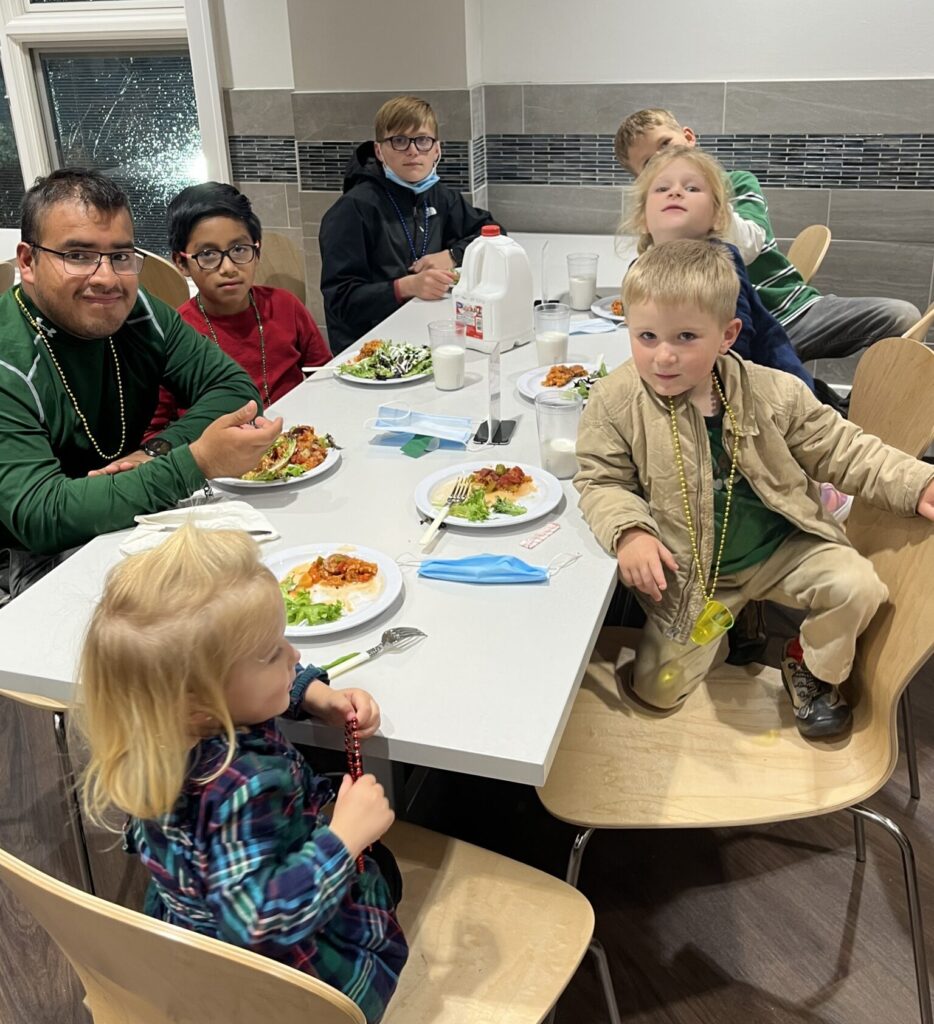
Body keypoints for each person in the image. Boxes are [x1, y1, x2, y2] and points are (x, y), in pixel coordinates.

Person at [574, 240, 934, 739]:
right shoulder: (614, 401)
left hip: (782, 546)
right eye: (647, 336)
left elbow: (844, 448)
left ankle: (807, 663)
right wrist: (630, 532)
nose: (663, 355)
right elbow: (600, 479)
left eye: (685, 337)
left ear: (728, 335)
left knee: (859, 586)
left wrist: (917, 481)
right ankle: (737, 620)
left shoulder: (773, 391)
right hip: (697, 572)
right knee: (657, 691)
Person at [76, 527, 408, 1024]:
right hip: (279, 973)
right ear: (201, 701)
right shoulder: (240, 784)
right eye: (273, 651)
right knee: (383, 867)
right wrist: (345, 837)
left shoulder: (163, 728)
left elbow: (248, 687)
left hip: (190, 936)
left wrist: (313, 696)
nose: (295, 655)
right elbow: (256, 922)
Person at [0, 168, 283, 597]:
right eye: (78, 255)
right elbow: (41, 515)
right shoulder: (9, 360)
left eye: (121, 255)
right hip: (34, 554)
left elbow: (234, 389)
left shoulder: (138, 312)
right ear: (28, 261)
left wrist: (154, 453)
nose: (107, 278)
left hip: (134, 513)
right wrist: (195, 462)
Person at [614, 109, 920, 364]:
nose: (664, 159)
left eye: (667, 144)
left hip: (794, 311)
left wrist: (709, 199)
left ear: (689, 138)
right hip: (733, 337)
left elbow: (748, 246)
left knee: (899, 314)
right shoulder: (662, 216)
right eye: (650, 163)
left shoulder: (737, 183)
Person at [621, 144, 815, 392]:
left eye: (691, 188)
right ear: (643, 219)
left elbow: (736, 348)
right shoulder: (640, 270)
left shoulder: (724, 262)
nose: (676, 192)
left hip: (766, 389)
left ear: (718, 217)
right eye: (662, 188)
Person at [146, 182, 331, 438]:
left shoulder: (285, 306)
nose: (229, 267)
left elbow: (323, 376)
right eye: (208, 254)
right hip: (218, 461)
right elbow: (153, 431)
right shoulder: (175, 335)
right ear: (182, 263)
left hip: (298, 441)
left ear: (257, 250)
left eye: (239, 249)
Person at [319, 95, 500, 352]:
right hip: (370, 347)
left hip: (425, 329)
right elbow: (340, 301)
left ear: (437, 149)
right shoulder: (352, 210)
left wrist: (451, 255)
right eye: (399, 141)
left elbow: (492, 232)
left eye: (423, 140)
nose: (413, 151)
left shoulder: (440, 196)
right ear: (379, 151)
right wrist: (405, 287)